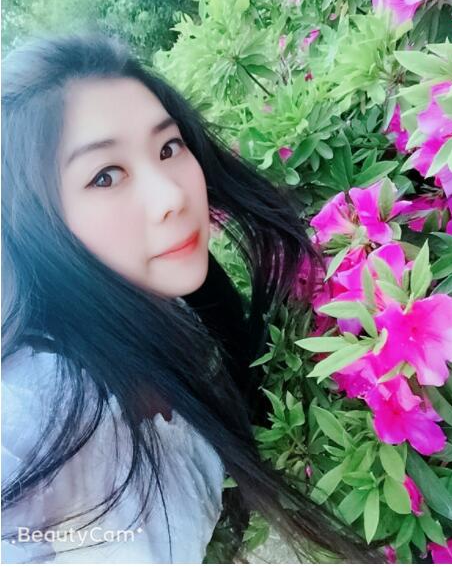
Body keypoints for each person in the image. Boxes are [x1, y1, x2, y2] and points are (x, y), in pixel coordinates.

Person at [1, 30, 386, 564]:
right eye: (105, 176)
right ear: (32, 224)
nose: (172, 196)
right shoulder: (32, 404)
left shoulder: (180, 310)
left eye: (168, 148)